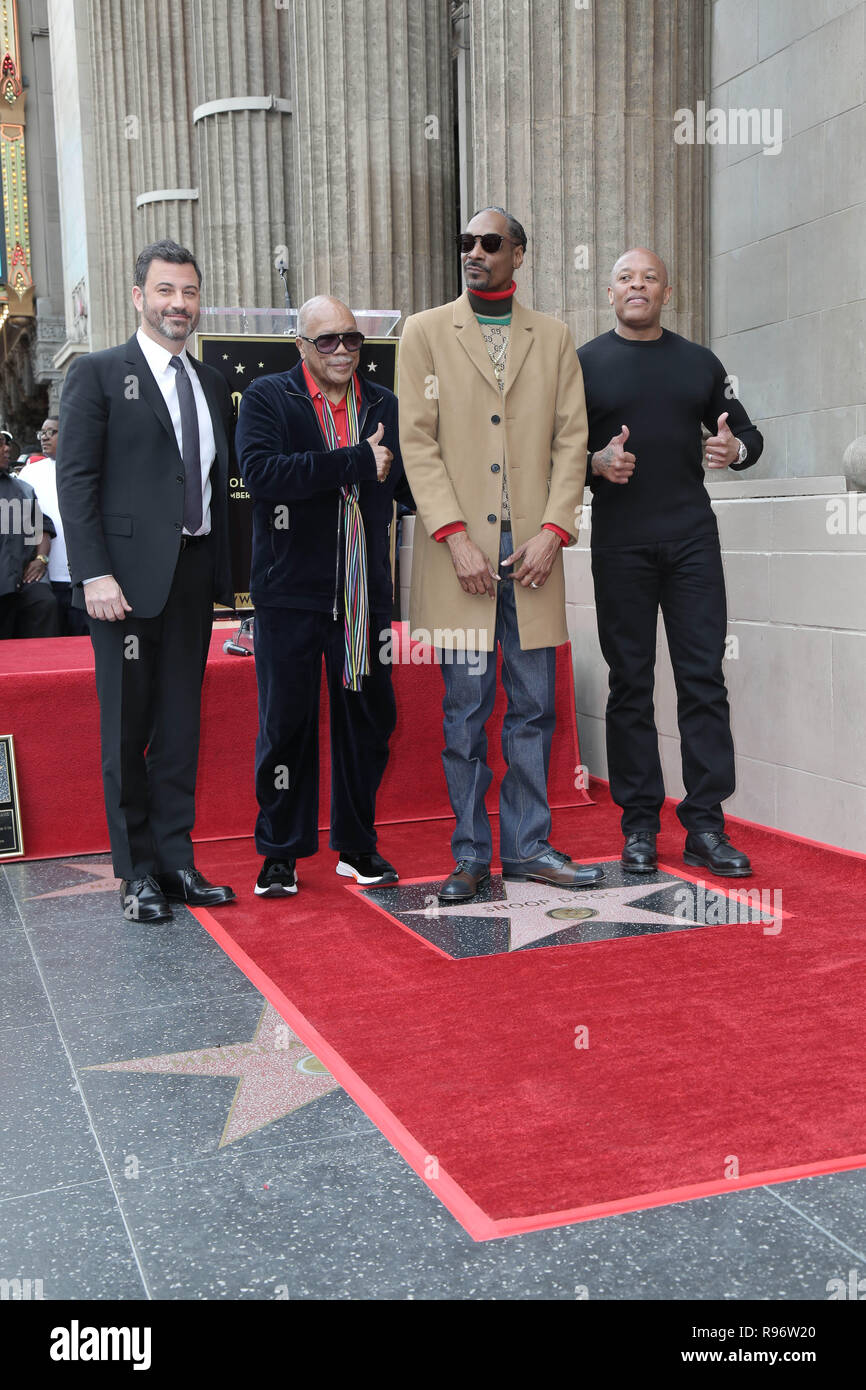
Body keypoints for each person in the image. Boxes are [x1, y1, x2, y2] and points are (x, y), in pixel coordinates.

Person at [399, 206, 605, 904]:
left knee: (534, 706)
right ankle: (469, 855)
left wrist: (554, 530)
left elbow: (571, 442)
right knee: (464, 710)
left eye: (490, 243)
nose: (475, 252)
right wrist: (454, 537)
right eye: (467, 243)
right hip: (461, 555)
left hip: (535, 554)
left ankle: (529, 846)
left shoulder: (552, 338)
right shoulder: (425, 333)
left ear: (520, 253)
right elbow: (417, 443)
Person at [56, 239, 236, 922]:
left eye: (188, 292)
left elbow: (217, 486)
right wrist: (94, 572)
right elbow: (76, 482)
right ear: (139, 297)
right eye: (165, 291)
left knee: (180, 727)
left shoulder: (211, 382)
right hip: (122, 587)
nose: (178, 305)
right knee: (127, 729)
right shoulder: (101, 374)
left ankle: (177, 861)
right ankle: (136, 876)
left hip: (192, 578)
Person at [578, 247, 763, 879]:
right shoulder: (585, 365)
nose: (637, 286)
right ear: (611, 295)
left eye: (649, 278)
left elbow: (750, 438)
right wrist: (594, 465)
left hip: (691, 543)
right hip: (620, 543)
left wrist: (733, 448)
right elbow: (555, 451)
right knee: (629, 683)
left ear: (667, 291)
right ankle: (638, 827)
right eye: (626, 278)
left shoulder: (700, 363)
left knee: (702, 679)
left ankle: (706, 826)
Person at [236, 295, 414, 897]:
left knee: (368, 719)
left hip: (364, 590)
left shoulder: (384, 402)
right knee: (286, 723)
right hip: (290, 591)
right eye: (327, 341)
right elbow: (262, 475)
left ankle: (357, 845)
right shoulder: (268, 397)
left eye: (351, 340)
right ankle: (281, 852)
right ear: (301, 347)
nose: (342, 351)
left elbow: (412, 483)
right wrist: (356, 461)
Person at [18, 417, 89, 635]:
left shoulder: (90, 468)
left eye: (52, 432)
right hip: (45, 578)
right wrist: (37, 559)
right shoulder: (30, 474)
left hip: (85, 578)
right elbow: (23, 523)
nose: (45, 437)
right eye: (42, 432)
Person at [0, 430, 60, 638]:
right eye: (1, 443)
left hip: (20, 579)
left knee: (44, 603)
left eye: (7, 443)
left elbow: (42, 527)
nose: (7, 448)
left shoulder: (21, 489)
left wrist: (41, 559)